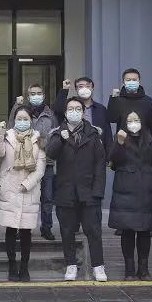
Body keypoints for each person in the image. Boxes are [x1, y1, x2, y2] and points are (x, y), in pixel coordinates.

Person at [46, 97, 108, 282]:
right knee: (67, 231)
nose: (74, 112)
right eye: (70, 109)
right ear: (65, 113)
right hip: (66, 191)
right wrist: (62, 139)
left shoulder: (93, 133)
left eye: (78, 109)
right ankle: (71, 265)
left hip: (89, 192)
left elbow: (100, 164)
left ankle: (98, 266)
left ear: (83, 112)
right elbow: (50, 153)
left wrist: (98, 191)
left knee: (93, 231)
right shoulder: (58, 133)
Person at [109, 111, 152, 281]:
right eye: (129, 120)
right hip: (125, 192)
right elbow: (113, 163)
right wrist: (119, 143)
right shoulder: (120, 138)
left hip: (147, 191)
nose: (133, 123)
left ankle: (143, 269)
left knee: (144, 232)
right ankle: (129, 269)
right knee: (127, 232)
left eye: (136, 120)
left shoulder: (151, 140)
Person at [0, 110, 47, 282]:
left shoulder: (38, 139)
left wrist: (27, 184)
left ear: (31, 120)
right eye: (19, 118)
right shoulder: (7, 136)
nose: (22, 121)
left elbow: (40, 168)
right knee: (10, 229)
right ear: (14, 120)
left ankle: (24, 267)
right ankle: (12, 265)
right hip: (10, 189)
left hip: (29, 190)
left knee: (25, 232)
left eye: (25, 118)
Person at [11, 83, 59, 241]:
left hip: (47, 162)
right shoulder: (23, 112)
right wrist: (16, 106)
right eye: (33, 93)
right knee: (25, 197)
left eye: (39, 93)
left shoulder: (50, 115)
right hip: (26, 162)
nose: (36, 96)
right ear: (28, 95)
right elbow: (12, 128)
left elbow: (55, 136)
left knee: (47, 198)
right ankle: (23, 228)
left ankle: (47, 227)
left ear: (43, 95)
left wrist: (44, 144)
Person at [54, 77, 113, 153]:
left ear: (92, 88)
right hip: (72, 149)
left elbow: (107, 133)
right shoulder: (70, 107)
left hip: (96, 149)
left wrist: (109, 154)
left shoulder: (101, 109)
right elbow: (58, 110)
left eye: (88, 86)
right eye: (81, 86)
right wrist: (65, 90)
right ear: (76, 89)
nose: (84, 89)